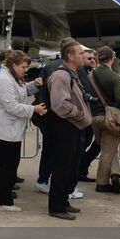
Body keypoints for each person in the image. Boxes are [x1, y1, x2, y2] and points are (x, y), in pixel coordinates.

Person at [0, 50, 43, 211]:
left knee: (0, 162)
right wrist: (34, 109)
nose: (25, 70)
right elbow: (12, 106)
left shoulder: (10, 77)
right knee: (8, 165)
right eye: (23, 67)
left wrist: (34, 86)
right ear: (13, 65)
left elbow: (21, 90)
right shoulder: (5, 79)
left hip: (6, 127)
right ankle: (3, 201)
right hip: (6, 127)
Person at [44, 40, 91, 220]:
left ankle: (63, 201)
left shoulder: (73, 73)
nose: (83, 56)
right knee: (62, 167)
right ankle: (56, 206)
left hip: (74, 126)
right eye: (80, 53)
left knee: (70, 166)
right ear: (70, 56)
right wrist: (79, 114)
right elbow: (59, 105)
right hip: (66, 127)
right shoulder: (61, 76)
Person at [88, 46, 120, 195]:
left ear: (98, 58)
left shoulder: (90, 75)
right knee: (107, 150)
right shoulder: (115, 77)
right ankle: (102, 183)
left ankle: (115, 174)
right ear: (112, 59)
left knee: (107, 148)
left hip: (95, 116)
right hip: (110, 117)